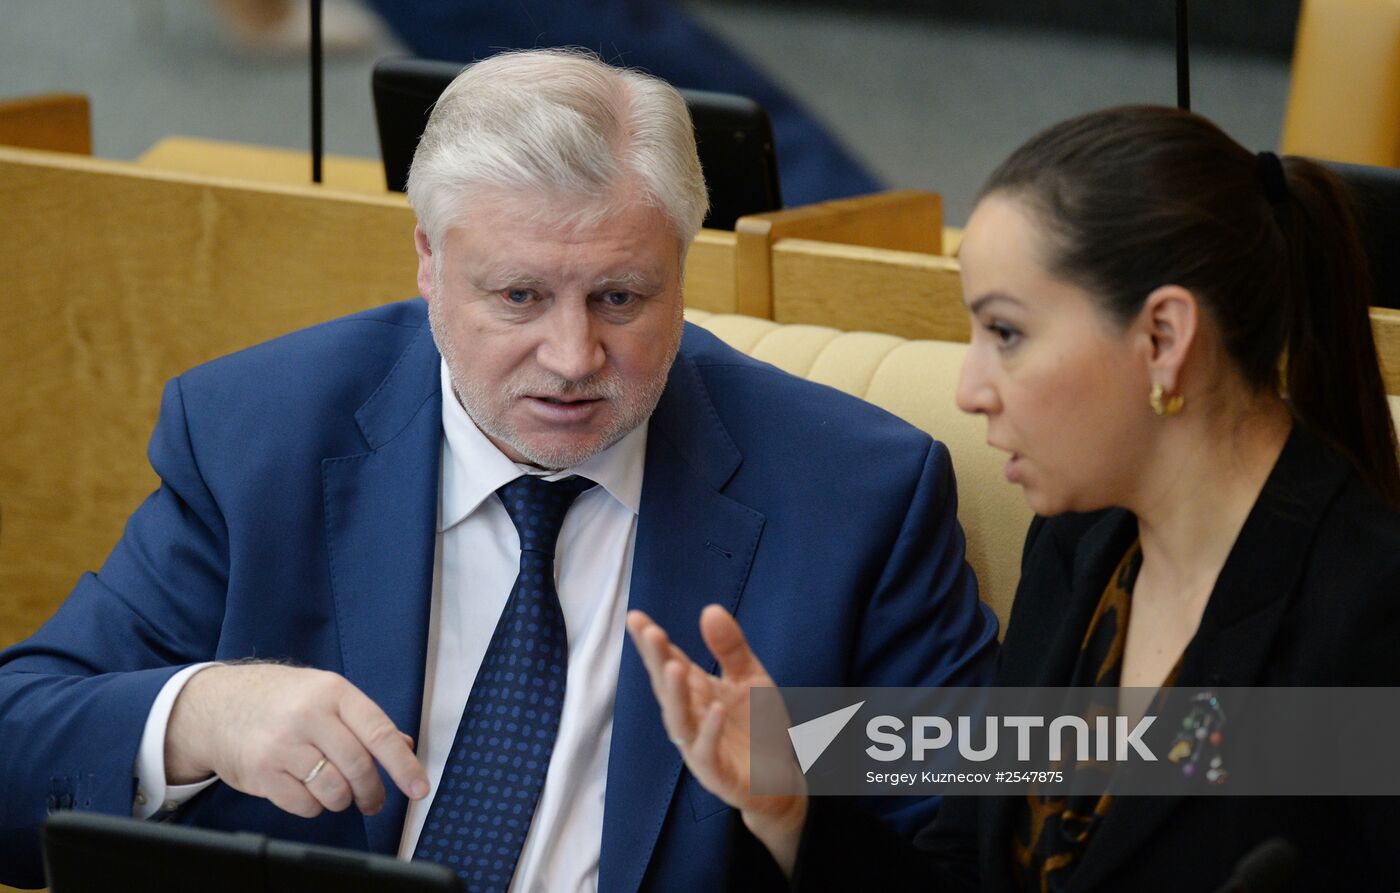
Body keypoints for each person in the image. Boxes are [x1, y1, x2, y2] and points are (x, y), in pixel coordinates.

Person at [0, 49, 998, 891]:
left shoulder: (850, 495)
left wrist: (791, 808)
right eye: (518, 296)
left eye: (620, 297)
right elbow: (16, 750)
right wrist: (203, 712)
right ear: (429, 262)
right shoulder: (263, 435)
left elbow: (979, 847)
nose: (571, 357)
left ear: (682, 269)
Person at [627, 105, 1400, 891]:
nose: (969, 389)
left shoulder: (1371, 617)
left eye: (1006, 333)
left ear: (1163, 338)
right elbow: (968, 867)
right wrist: (791, 808)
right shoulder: (1082, 545)